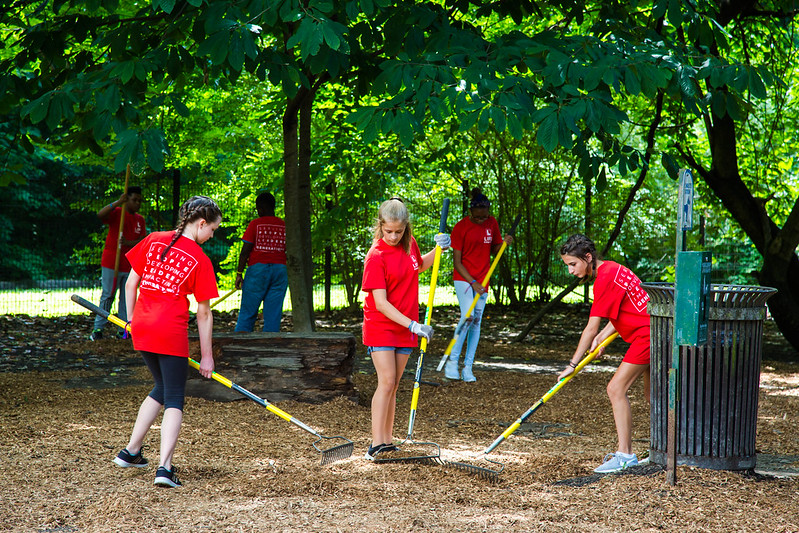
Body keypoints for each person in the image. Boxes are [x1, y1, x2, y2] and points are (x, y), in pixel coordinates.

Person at [113, 196, 222, 488]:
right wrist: (207, 356)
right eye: (212, 229)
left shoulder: (153, 239)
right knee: (174, 396)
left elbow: (130, 283)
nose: (212, 236)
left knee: (161, 388)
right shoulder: (200, 259)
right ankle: (165, 468)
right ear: (201, 223)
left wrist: (130, 321)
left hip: (143, 327)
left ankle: (130, 452)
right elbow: (204, 313)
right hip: (169, 331)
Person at [361, 197, 450, 460]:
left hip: (407, 325)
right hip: (382, 325)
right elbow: (380, 303)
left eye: (398, 231)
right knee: (386, 381)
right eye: (388, 231)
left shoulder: (409, 244)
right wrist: (414, 325)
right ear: (380, 226)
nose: (393, 236)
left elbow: (419, 265)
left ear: (405, 227)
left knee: (395, 384)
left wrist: (439, 248)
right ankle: (376, 444)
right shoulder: (376, 256)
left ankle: (387, 442)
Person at [558, 234, 651, 474]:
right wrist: (602, 337)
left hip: (647, 335)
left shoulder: (605, 278)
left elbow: (591, 327)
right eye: (567, 265)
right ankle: (668, 448)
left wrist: (572, 364)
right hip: (653, 332)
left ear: (588, 257)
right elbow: (621, 310)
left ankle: (625, 455)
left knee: (615, 389)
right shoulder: (611, 269)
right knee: (653, 396)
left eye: (573, 264)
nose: (570, 270)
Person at [443, 188, 512, 382]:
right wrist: (472, 282)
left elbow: (494, 249)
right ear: (471, 211)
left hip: (483, 278)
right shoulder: (461, 227)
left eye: (485, 216)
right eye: (478, 216)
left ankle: (468, 367)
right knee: (468, 316)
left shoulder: (492, 223)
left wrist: (504, 243)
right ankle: (452, 363)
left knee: (476, 321)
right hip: (464, 278)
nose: (482, 219)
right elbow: (457, 263)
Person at [91, 187, 146, 340]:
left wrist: (128, 242)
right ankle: (98, 329)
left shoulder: (140, 220)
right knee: (108, 294)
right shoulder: (117, 213)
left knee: (126, 297)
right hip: (112, 262)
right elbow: (100, 214)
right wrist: (117, 202)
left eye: (139, 201)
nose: (137, 203)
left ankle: (123, 329)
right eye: (134, 200)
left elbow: (142, 240)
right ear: (126, 199)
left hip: (129, 263)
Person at [234, 192, 288, 332]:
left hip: (257, 270)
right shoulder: (284, 225)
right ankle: (270, 342)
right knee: (273, 313)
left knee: (248, 310)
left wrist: (239, 273)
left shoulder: (255, 224)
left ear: (261, 209)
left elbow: (245, 251)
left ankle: (240, 341)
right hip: (280, 270)